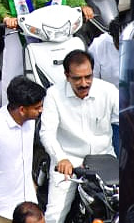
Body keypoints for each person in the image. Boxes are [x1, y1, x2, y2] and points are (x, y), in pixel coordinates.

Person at [39, 49, 116, 223]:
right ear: (66, 75)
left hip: (104, 159)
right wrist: (60, 159)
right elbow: (47, 132)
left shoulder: (108, 91)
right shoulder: (53, 95)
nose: (84, 83)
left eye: (88, 77)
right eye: (77, 79)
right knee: (54, 216)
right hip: (68, 162)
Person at [0, 76, 46, 223]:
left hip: (28, 203)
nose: (41, 110)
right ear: (22, 110)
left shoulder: (30, 121)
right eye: (37, 108)